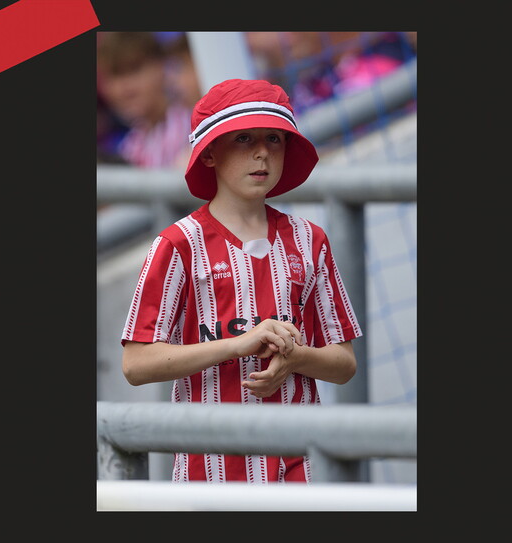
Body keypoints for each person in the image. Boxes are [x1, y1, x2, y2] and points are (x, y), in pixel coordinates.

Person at [119, 78, 362, 483]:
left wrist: (296, 358)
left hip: (301, 465)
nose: (262, 152)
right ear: (209, 153)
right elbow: (135, 364)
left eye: (274, 139)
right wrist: (236, 345)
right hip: (209, 472)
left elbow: (344, 364)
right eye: (244, 138)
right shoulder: (178, 244)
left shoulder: (310, 239)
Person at [96, 32, 191, 169]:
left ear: (162, 66)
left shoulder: (194, 125)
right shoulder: (130, 145)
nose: (125, 89)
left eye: (134, 70)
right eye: (114, 76)